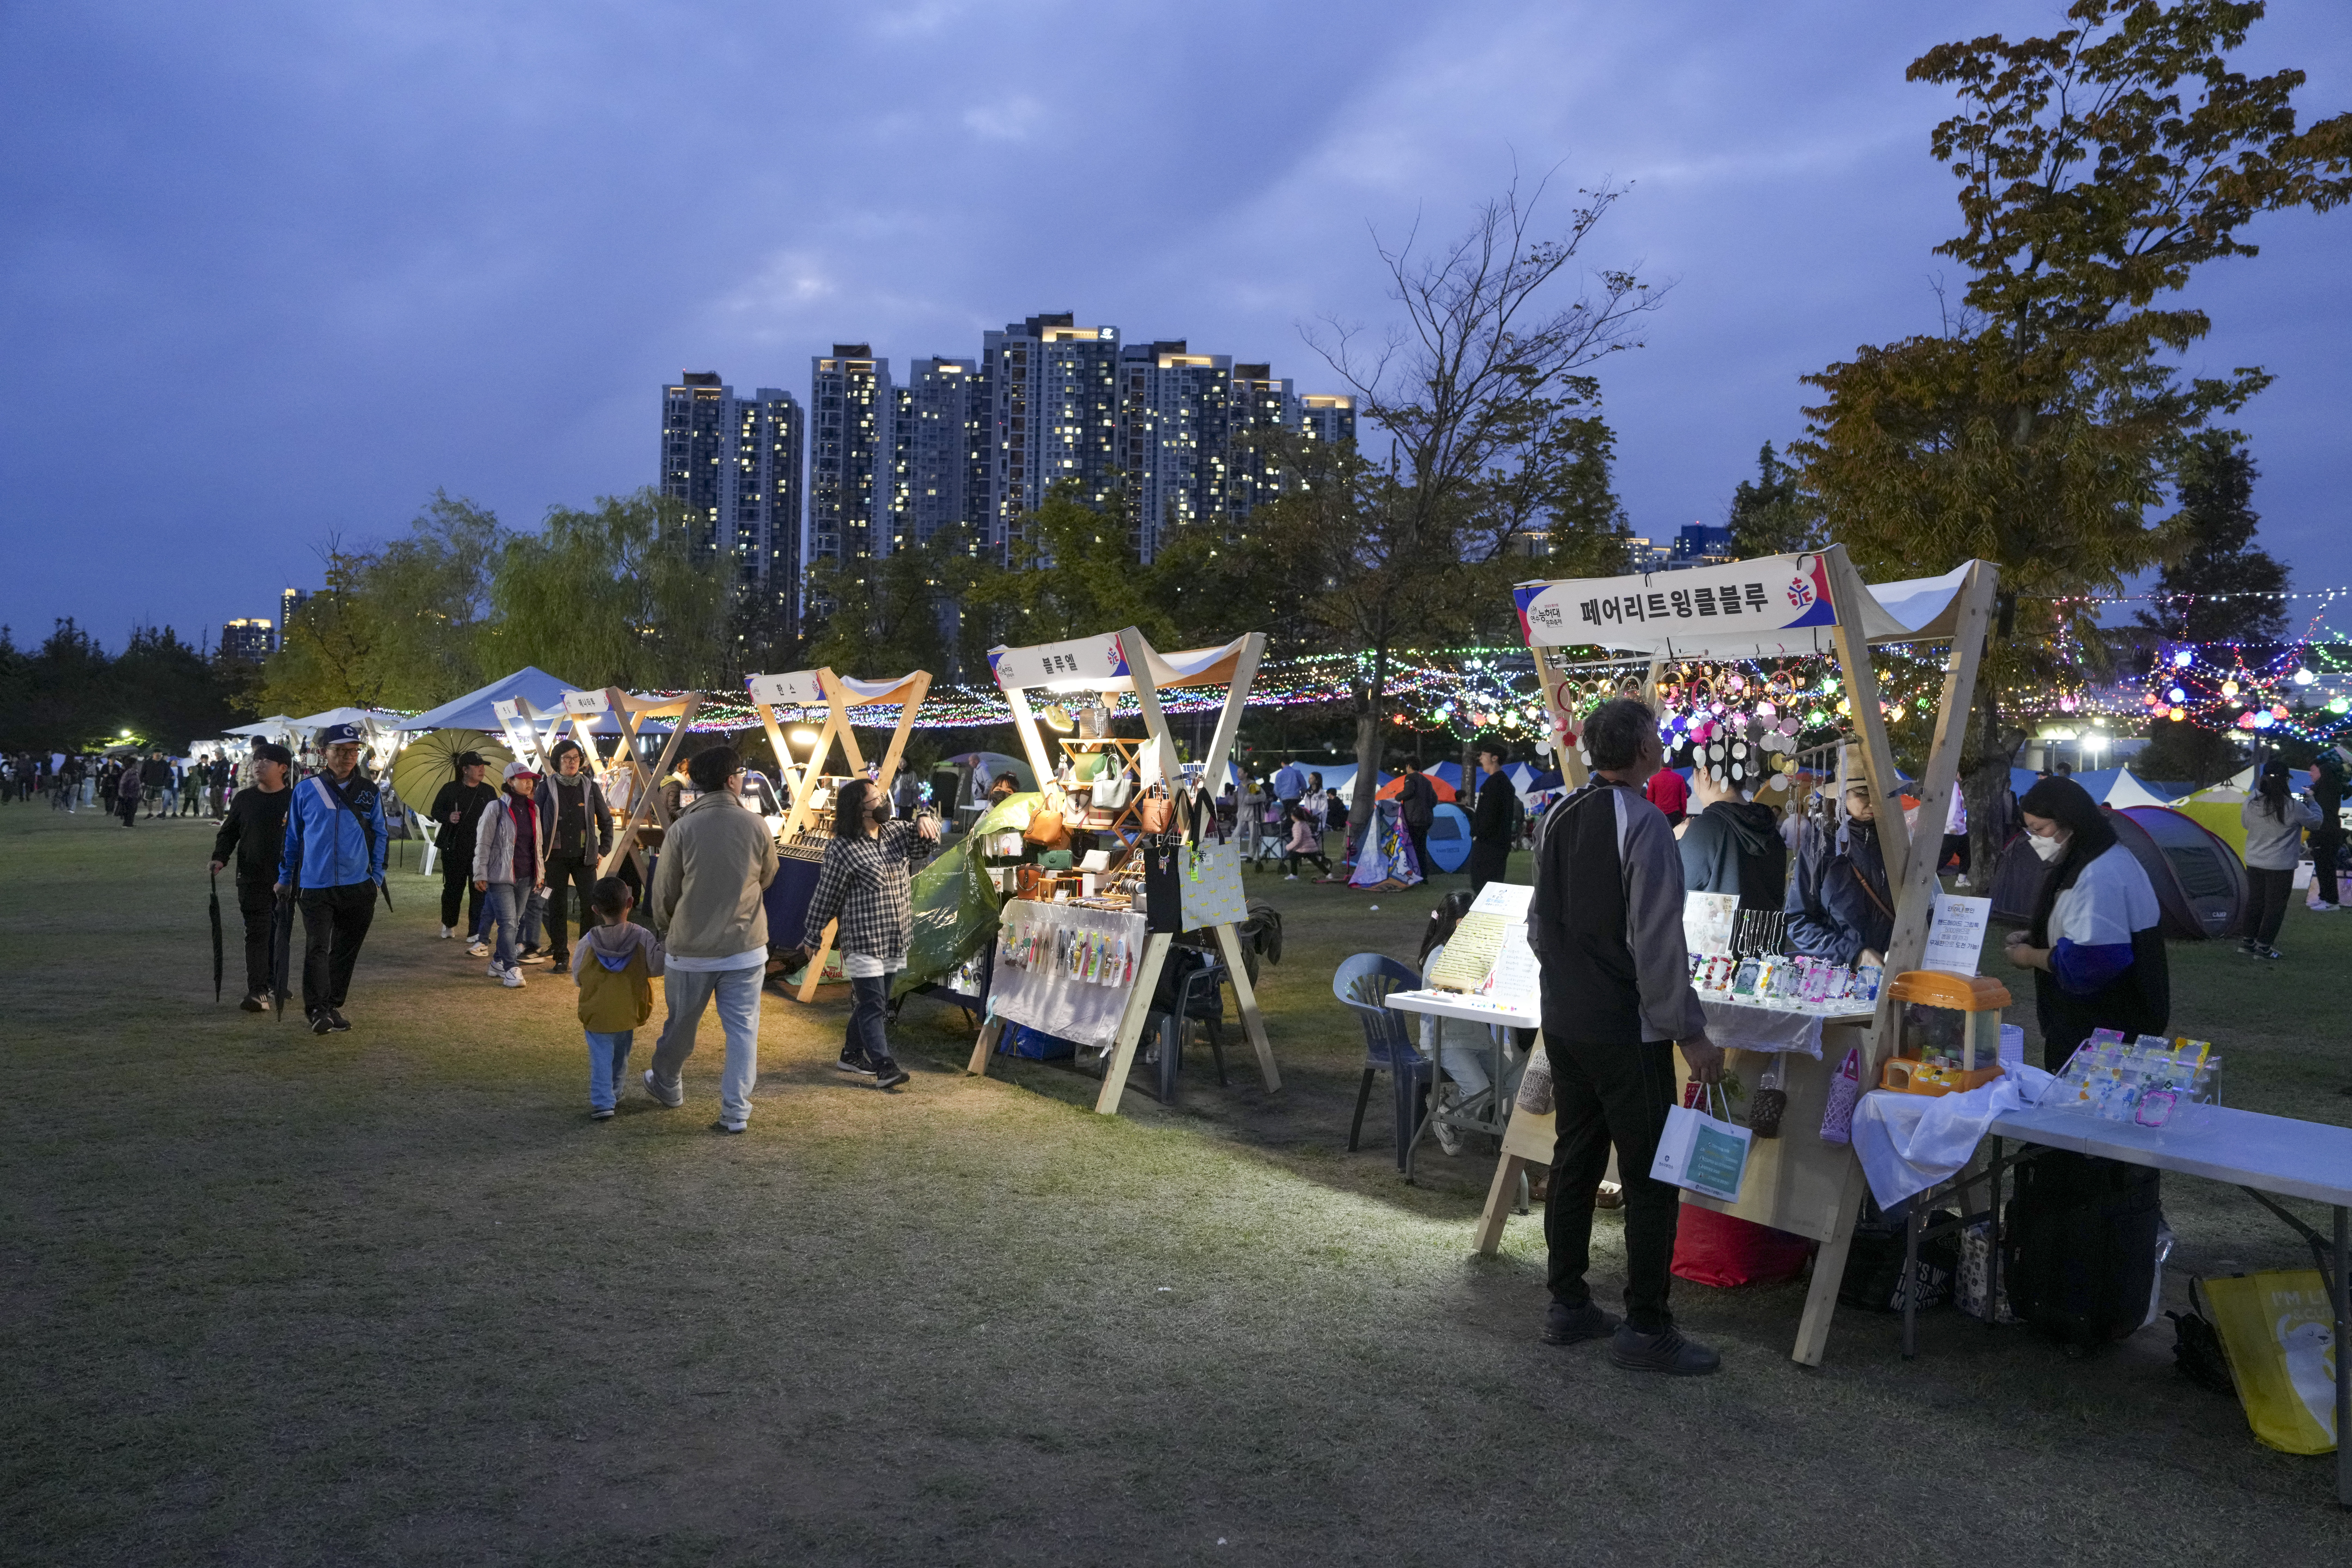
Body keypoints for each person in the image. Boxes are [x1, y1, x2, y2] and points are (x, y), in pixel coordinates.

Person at [1526, 697, 1724, 1376]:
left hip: (1566, 1018)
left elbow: (1538, 923)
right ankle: (1646, 1324)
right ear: (1643, 751)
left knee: (1575, 1158)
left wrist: (1570, 980)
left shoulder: (1559, 812)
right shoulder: (1644, 823)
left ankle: (1568, 1303)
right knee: (1649, 1176)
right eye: (1656, 738)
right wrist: (1688, 1030)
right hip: (1623, 1026)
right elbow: (1659, 939)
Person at [645, 746, 780, 1133]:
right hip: (745, 946)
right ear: (732, 780)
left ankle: (667, 1082)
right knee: (743, 1032)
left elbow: (664, 893)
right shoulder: (756, 825)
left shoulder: (683, 828)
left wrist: (669, 928)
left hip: (691, 949)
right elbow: (769, 874)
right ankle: (736, 1111)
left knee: (681, 1027)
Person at [2002, 774, 2170, 1065]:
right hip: (2099, 1023)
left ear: (2069, 820)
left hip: (2104, 1029)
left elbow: (2090, 959)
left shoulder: (2098, 873)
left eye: (2039, 829)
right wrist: (2040, 935)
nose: (2035, 839)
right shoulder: (2100, 857)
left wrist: (2028, 956)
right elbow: (2091, 925)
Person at [804, 777, 940, 1091]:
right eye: (876, 799)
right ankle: (884, 1066)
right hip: (864, 940)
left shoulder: (896, 833)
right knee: (874, 1004)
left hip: (894, 937)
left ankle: (851, 1054)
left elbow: (926, 844)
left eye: (882, 796)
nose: (884, 803)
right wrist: (813, 934)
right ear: (859, 809)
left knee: (874, 1002)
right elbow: (827, 894)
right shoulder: (842, 847)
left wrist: (925, 817)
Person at [276, 722, 388, 1034]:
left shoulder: (369, 791)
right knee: (317, 948)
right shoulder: (306, 790)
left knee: (346, 950)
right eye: (340, 751)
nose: (348, 757)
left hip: (359, 885)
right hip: (315, 885)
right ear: (325, 752)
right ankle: (317, 1009)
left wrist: (377, 877)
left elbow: (381, 834)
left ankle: (331, 1004)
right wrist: (285, 877)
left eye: (353, 751)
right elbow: (293, 838)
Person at [1418, 889, 1522, 1156]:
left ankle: (1449, 1111)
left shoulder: (1477, 952)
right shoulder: (1438, 956)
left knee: (1512, 1080)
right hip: (1447, 1039)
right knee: (1479, 1088)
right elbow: (1448, 988)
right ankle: (1454, 1119)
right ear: (1461, 923)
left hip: (1476, 1036)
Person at [209, 742, 295, 1011]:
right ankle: (257, 991)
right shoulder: (244, 799)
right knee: (257, 931)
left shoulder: (296, 800)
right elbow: (229, 832)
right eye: (257, 760)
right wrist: (220, 857)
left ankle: (274, 980)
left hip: (287, 879)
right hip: (251, 875)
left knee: (279, 932)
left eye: (266, 761)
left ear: (283, 768)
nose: (258, 765)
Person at [572, 875, 665, 1121]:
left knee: (601, 1057)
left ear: (595, 910)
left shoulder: (588, 941)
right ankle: (615, 1091)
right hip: (629, 1009)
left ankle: (603, 1102)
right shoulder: (643, 936)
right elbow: (657, 967)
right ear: (631, 903)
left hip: (597, 1010)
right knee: (621, 1055)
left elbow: (578, 976)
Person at [1784, 767, 1892, 970]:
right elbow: (1797, 921)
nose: (1873, 802)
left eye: (1880, 793)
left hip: (1901, 970)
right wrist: (1854, 954)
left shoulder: (1900, 843)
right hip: (1841, 974)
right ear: (1840, 796)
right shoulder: (1820, 847)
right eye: (1863, 793)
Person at [535, 739, 614, 968]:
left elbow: (606, 821)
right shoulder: (546, 787)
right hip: (554, 858)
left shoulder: (590, 788)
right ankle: (561, 955)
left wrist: (602, 851)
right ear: (557, 761)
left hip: (585, 858)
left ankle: (585, 953)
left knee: (591, 906)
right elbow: (536, 821)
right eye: (567, 758)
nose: (572, 762)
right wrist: (538, 855)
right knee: (557, 906)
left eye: (576, 758)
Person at [471, 761, 547, 988]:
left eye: (531, 779)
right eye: (523, 779)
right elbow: (483, 843)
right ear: (510, 782)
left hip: (526, 876)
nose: (529, 783)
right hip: (501, 875)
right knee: (509, 923)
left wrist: (540, 872)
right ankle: (511, 968)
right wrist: (480, 873)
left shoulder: (534, 809)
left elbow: (538, 845)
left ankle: (498, 962)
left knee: (515, 921)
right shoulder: (496, 808)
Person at [2237, 756, 2318, 960]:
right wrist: (2313, 802)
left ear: (2263, 777)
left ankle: (2248, 943)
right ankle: (2264, 948)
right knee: (2275, 907)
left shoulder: (2251, 801)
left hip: (2255, 861)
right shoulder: (2292, 806)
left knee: (2255, 902)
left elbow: (2246, 825)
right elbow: (2316, 822)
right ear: (2286, 780)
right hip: (2280, 865)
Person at [1678, 761, 1787, 909]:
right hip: (1765, 924)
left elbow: (1676, 889)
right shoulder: (1770, 827)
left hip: (1718, 925)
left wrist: (1678, 841)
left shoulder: (1706, 828)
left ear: (1704, 773)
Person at [430, 752, 498, 942]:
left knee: (480, 889)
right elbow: (435, 810)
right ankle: (449, 923)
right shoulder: (451, 789)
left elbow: (496, 816)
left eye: (483, 766)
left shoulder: (488, 791)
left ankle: (475, 931)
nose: (482, 770)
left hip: (481, 848)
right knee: (453, 888)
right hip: (454, 847)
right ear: (465, 770)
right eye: (477, 766)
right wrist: (449, 817)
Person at [1468, 735, 1521, 892]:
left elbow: (1489, 816)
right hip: (1498, 844)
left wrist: (1478, 833)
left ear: (1494, 758)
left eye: (1484, 755)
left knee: (1483, 885)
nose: (1480, 759)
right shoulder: (1503, 783)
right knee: (1492, 885)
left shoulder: (1495, 784)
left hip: (1489, 845)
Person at [2308, 755, 2345, 912]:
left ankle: (2331, 901)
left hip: (2326, 833)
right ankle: (2325, 898)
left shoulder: (2325, 788)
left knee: (2326, 867)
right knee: (2323, 867)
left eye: (2313, 770)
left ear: (2323, 771)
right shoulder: (2328, 788)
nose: (2310, 774)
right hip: (2327, 832)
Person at [1394, 764, 1438, 881]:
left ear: (1409, 766)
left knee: (1413, 848)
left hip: (1413, 819)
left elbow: (1409, 792)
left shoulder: (1410, 778)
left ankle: (1415, 875)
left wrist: (1397, 797)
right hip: (1426, 820)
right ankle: (1424, 876)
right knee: (1422, 849)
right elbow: (1435, 799)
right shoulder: (1427, 781)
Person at [1282, 803, 1331, 880]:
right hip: (1310, 847)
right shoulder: (1305, 824)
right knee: (1316, 862)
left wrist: (1288, 847)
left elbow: (1297, 840)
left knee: (1293, 857)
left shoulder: (1297, 826)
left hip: (1303, 848)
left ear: (1294, 817)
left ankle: (1294, 875)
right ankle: (1328, 874)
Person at [1643, 766, 1689, 832]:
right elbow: (1683, 799)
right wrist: (1684, 814)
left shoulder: (1653, 779)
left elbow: (1650, 799)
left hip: (1659, 815)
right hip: (1675, 816)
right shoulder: (1679, 778)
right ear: (1672, 766)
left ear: (1661, 766)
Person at [1273, 757, 1307, 822]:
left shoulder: (1279, 775)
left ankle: (1289, 828)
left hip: (1285, 799)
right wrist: (1302, 795)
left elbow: (1276, 790)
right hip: (1295, 798)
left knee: (1289, 817)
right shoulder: (1296, 772)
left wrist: (1281, 798)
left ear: (1282, 763)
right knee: (1295, 817)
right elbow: (1304, 785)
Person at [115, 755, 144, 827]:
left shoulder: (135, 772)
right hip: (129, 794)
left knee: (133, 809)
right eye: (136, 763)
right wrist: (123, 794)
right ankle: (127, 824)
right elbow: (123, 784)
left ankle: (130, 823)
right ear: (133, 764)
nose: (137, 765)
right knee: (129, 809)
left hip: (134, 794)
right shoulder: (129, 773)